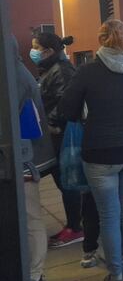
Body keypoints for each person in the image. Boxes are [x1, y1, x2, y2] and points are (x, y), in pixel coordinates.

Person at [59, 19, 123, 281]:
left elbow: (67, 111)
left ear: (101, 39)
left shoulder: (86, 72)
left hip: (100, 153)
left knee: (109, 215)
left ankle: (115, 275)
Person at [14, 35, 56, 281]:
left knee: (30, 218)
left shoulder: (17, 76)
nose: (34, 52)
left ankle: (34, 275)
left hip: (25, 158)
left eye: (38, 48)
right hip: (27, 156)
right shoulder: (22, 73)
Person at [31, 32, 82, 248]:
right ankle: (75, 224)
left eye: (36, 47)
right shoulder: (51, 69)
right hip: (54, 135)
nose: (33, 52)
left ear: (49, 50)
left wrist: (49, 124)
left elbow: (64, 103)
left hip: (61, 135)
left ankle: (75, 227)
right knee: (63, 182)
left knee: (67, 182)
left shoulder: (61, 70)